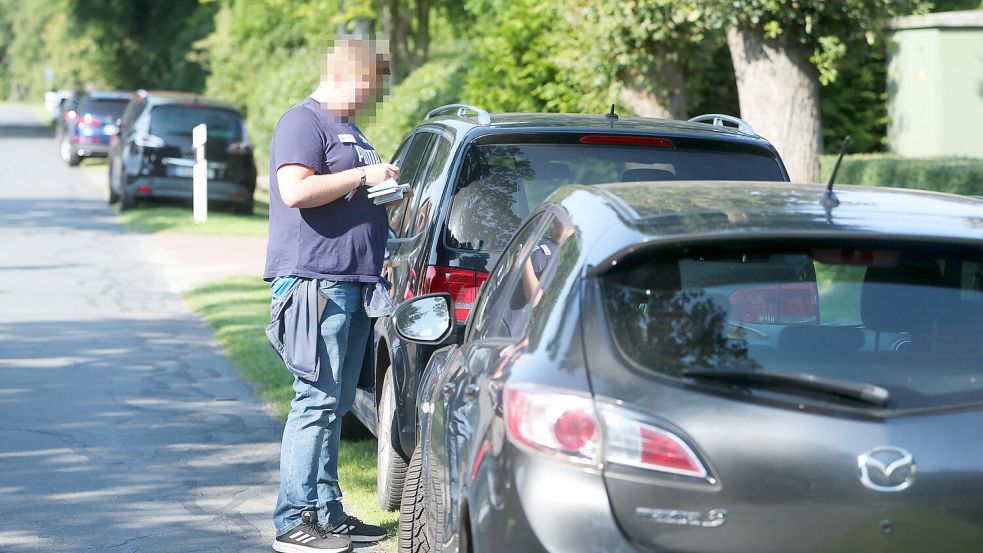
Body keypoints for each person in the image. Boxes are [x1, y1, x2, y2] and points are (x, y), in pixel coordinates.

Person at [264, 38, 401, 553]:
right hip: (315, 282)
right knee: (316, 400)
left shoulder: (348, 129)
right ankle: (294, 521)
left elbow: (343, 189)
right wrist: (365, 174)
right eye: (372, 85)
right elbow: (295, 190)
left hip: (352, 283)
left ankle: (327, 513)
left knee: (336, 403)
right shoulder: (304, 121)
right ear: (352, 75)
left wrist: (382, 189)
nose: (373, 96)